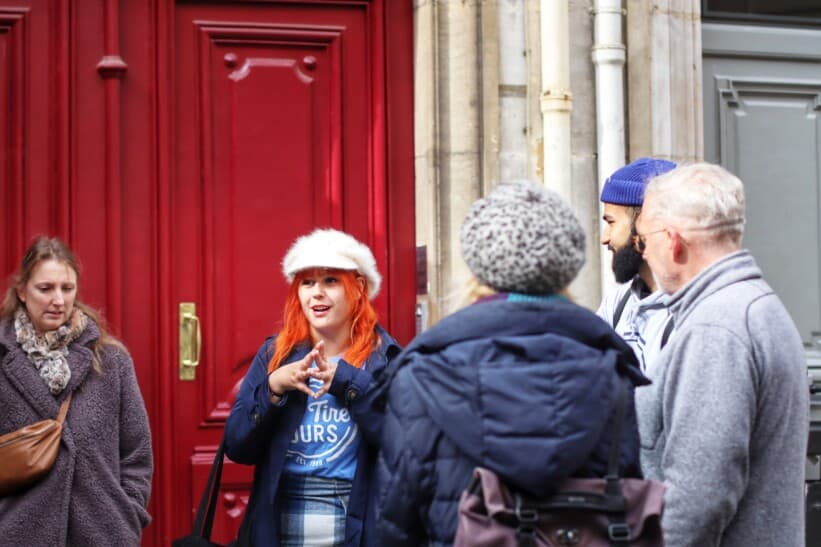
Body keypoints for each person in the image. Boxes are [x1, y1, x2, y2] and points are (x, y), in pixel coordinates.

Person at [376, 181, 649, 546]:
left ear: (480, 263)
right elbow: (626, 492)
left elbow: (397, 516)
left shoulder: (424, 373)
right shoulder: (611, 370)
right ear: (565, 265)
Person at [634, 163, 808, 546]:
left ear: (673, 241)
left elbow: (697, 500)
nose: (643, 252)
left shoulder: (717, 328)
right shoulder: (749, 306)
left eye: (643, 238)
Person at [224, 228, 401, 547]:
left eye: (330, 281)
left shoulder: (385, 360)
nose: (316, 293)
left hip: (356, 527)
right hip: (279, 526)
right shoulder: (273, 356)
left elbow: (403, 445)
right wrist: (274, 388)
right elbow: (237, 447)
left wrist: (349, 384)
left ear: (358, 288)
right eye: (307, 282)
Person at [0, 236, 153, 546]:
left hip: (101, 534)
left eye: (66, 289)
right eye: (45, 289)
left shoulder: (111, 361)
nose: (58, 300)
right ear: (22, 292)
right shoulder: (4, 360)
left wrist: (127, 514)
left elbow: (137, 452)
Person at [597, 157, 677, 372]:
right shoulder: (617, 303)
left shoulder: (689, 313)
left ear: (643, 224)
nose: (605, 238)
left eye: (611, 222)